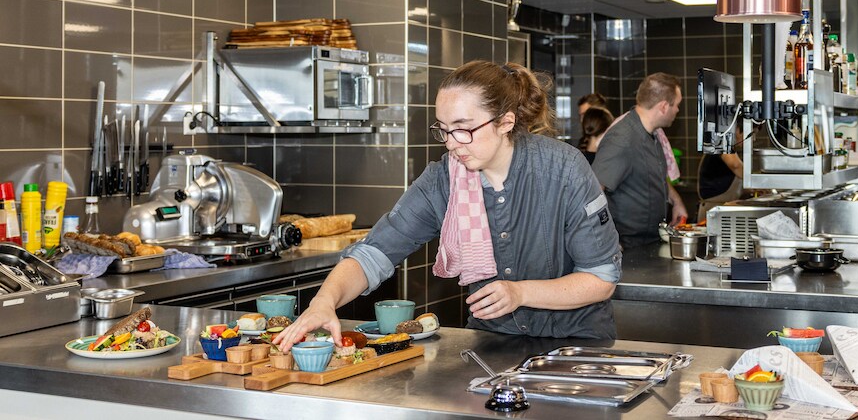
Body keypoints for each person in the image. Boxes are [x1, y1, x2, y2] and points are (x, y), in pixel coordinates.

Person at [276, 61, 622, 350]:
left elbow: (600, 278)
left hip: (577, 343)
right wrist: (324, 302)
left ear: (505, 122)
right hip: (492, 343)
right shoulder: (445, 178)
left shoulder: (564, 169)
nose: (452, 144)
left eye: (463, 129)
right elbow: (375, 253)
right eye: (443, 130)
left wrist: (520, 292)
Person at [591, 73, 688, 248]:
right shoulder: (622, 138)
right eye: (677, 105)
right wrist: (606, 242)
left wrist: (676, 200)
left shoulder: (653, 133)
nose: (678, 111)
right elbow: (593, 192)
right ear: (664, 107)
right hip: (627, 246)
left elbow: (652, 173)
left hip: (649, 242)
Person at [698, 128, 745, 219]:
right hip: (714, 210)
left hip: (723, 208)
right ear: (738, 130)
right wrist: (757, 182)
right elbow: (736, 165)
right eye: (752, 133)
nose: (753, 139)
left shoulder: (729, 147)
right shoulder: (721, 143)